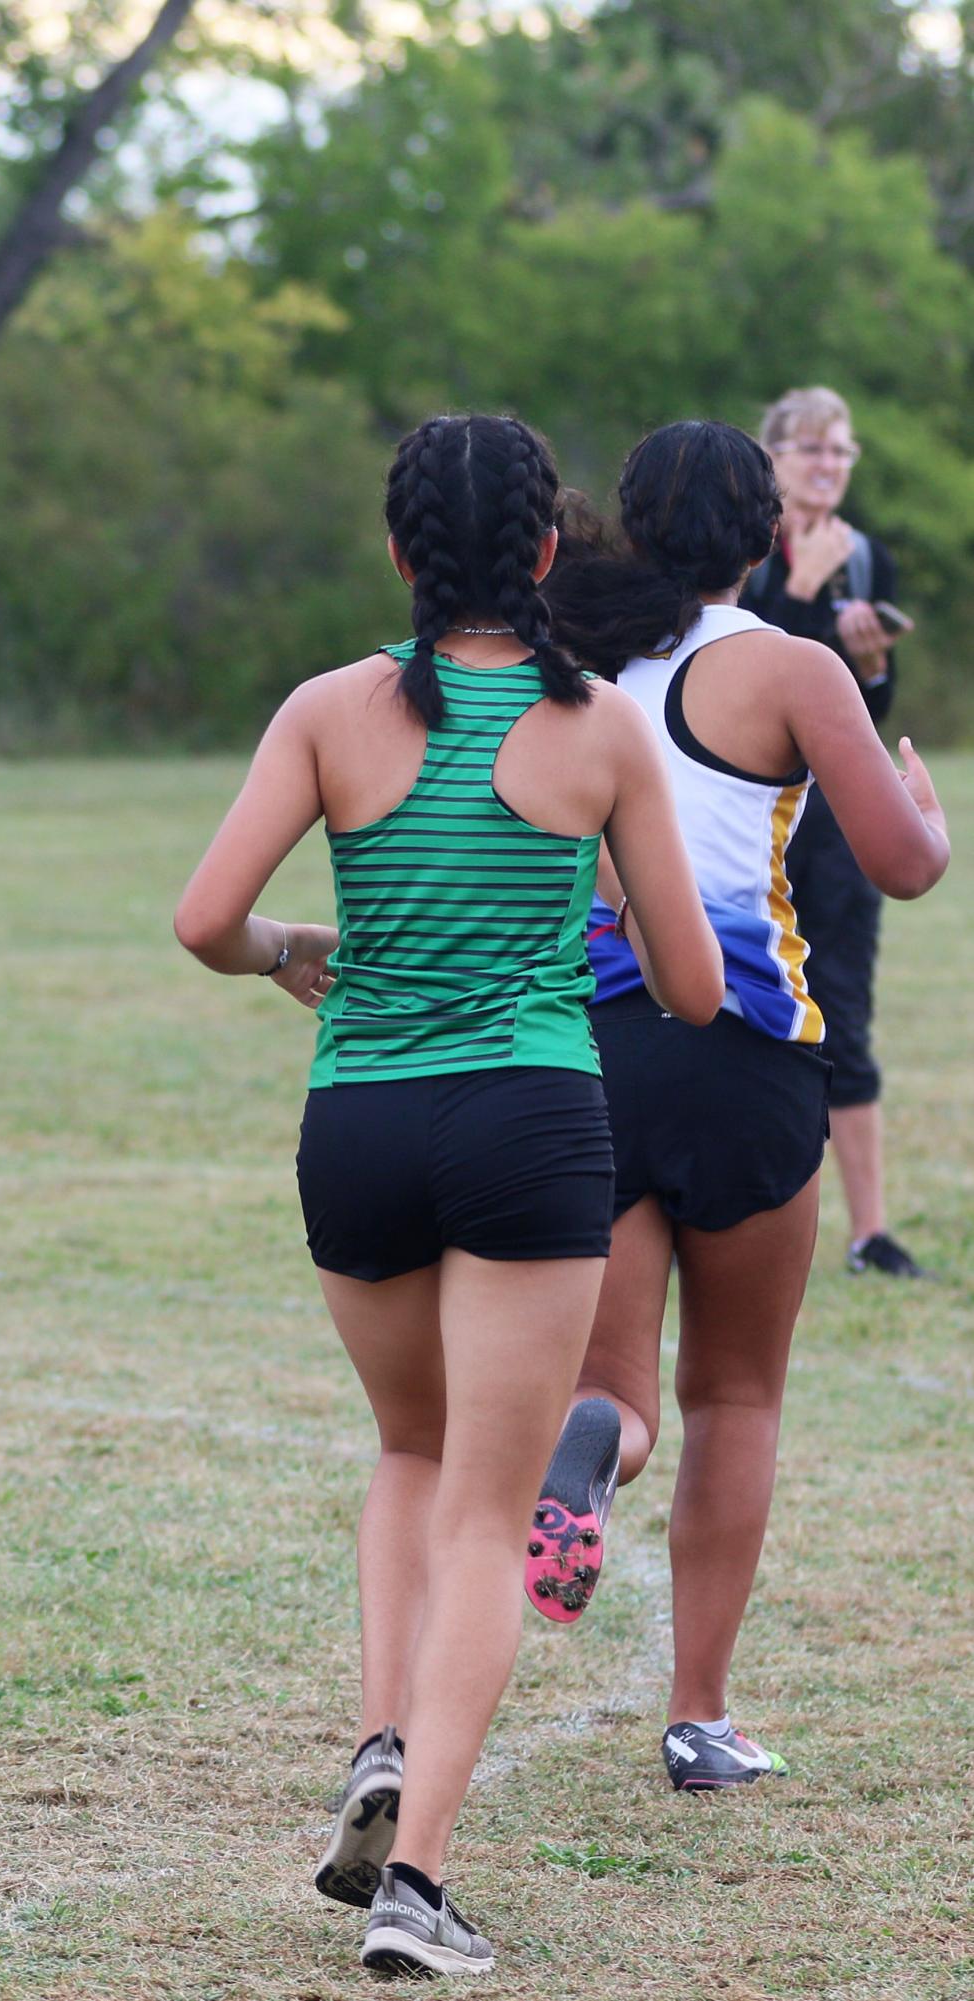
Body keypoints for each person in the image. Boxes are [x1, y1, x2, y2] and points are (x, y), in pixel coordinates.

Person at [175, 414, 721, 1977]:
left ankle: (377, 1739)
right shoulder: (602, 724)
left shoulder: (328, 711)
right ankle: (414, 1885)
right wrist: (595, 893)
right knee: (489, 1513)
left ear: (400, 557)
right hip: (528, 1124)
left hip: (357, 1123)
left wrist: (294, 950)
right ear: (547, 552)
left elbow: (204, 918)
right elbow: (687, 988)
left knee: (406, 1452)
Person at [536, 421, 949, 1792]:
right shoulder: (788, 665)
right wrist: (924, 815)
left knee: (618, 1387)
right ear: (766, 538)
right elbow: (895, 867)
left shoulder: (578, 669)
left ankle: (592, 1445)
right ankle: (697, 1717)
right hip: (753, 1056)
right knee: (735, 1396)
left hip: (597, 1046)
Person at [740, 388, 922, 1277]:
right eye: (809, 447)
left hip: (833, 820)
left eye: (840, 450)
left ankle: (868, 1233)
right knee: (726, 997)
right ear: (771, 455)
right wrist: (802, 594)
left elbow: (868, 705)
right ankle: (705, 1205)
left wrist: (871, 657)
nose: (826, 463)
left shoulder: (867, 557)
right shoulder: (740, 549)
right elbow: (735, 670)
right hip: (743, 813)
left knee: (841, 1007)